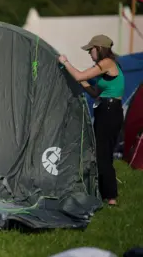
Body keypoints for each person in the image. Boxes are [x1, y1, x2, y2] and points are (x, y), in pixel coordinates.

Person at [58, 35, 124, 206]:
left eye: (90, 49)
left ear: (99, 48)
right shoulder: (106, 66)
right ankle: (106, 194)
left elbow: (79, 76)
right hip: (106, 110)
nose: (89, 53)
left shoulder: (107, 63)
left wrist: (65, 62)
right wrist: (81, 81)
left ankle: (110, 197)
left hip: (109, 112)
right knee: (102, 154)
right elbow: (95, 93)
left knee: (103, 156)